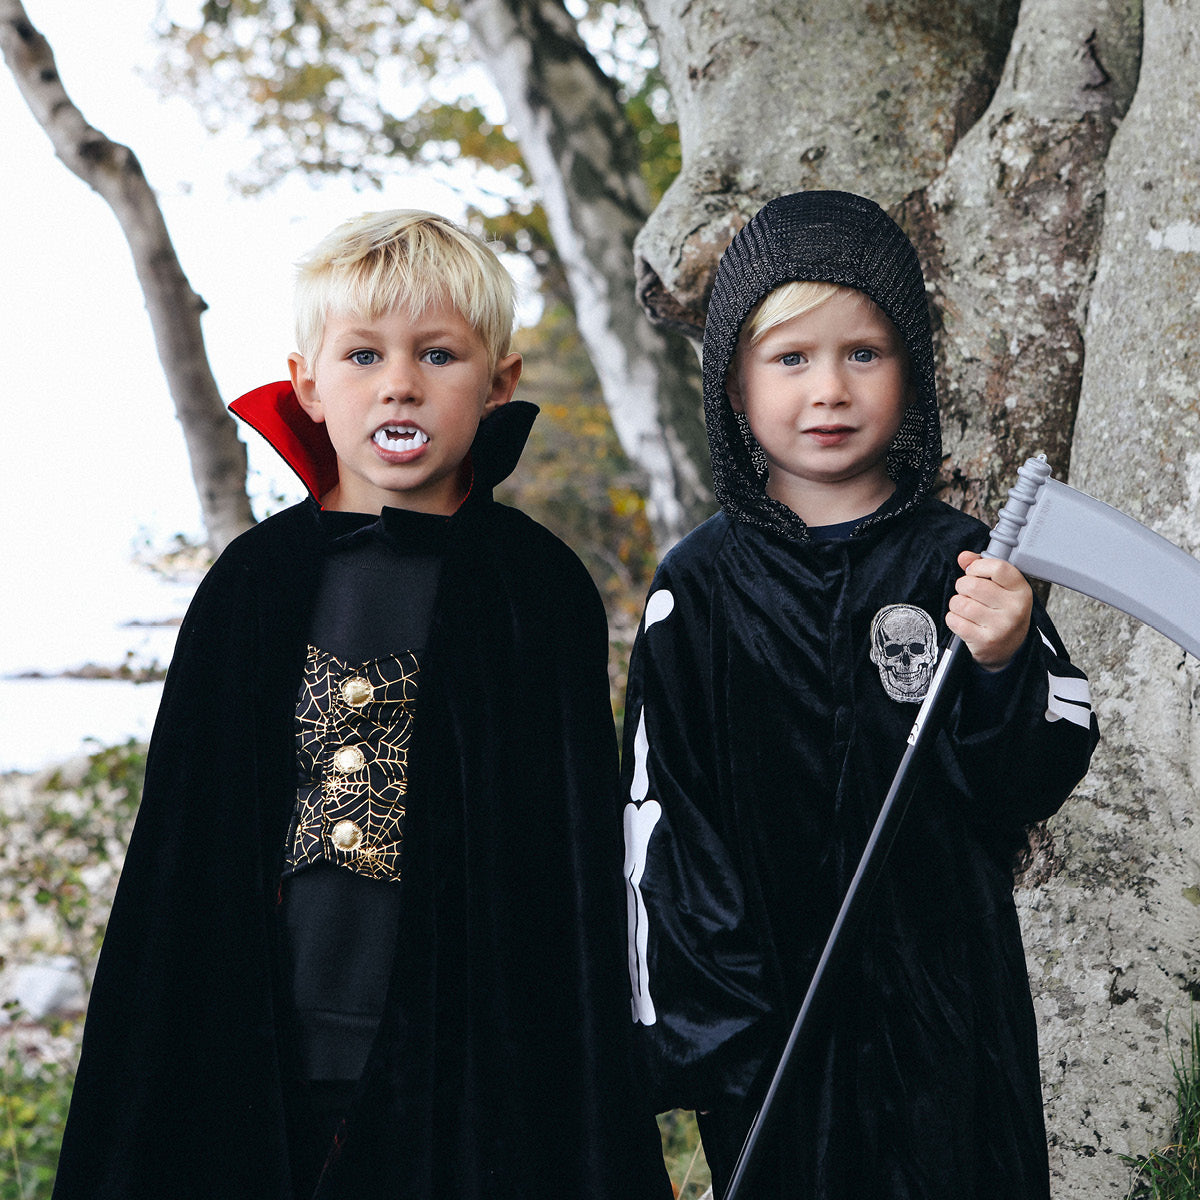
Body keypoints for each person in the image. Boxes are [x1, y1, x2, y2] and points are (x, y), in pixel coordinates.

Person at [53, 209, 673, 1200]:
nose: (399, 384)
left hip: (467, 1065)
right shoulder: (252, 583)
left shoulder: (535, 589)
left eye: (438, 355)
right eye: (363, 355)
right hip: (261, 1045)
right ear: (308, 383)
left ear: (499, 383)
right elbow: (183, 857)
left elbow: (564, 874)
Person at [619, 191, 1099, 1199]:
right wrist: (717, 1024)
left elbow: (1036, 768)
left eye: (864, 354)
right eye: (791, 358)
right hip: (771, 1024)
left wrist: (1005, 659)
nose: (829, 389)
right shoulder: (697, 587)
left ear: (910, 370)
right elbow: (666, 817)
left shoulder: (963, 562)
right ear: (734, 379)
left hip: (948, 1007)